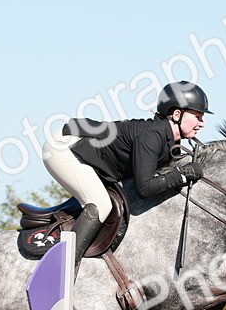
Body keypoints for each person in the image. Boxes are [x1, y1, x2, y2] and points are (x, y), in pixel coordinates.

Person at [42, 81, 211, 279]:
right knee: (101, 204)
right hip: (64, 146)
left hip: (85, 152)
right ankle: (60, 276)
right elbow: (145, 188)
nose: (202, 123)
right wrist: (181, 175)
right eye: (197, 116)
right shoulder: (152, 136)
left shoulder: (169, 141)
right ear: (176, 114)